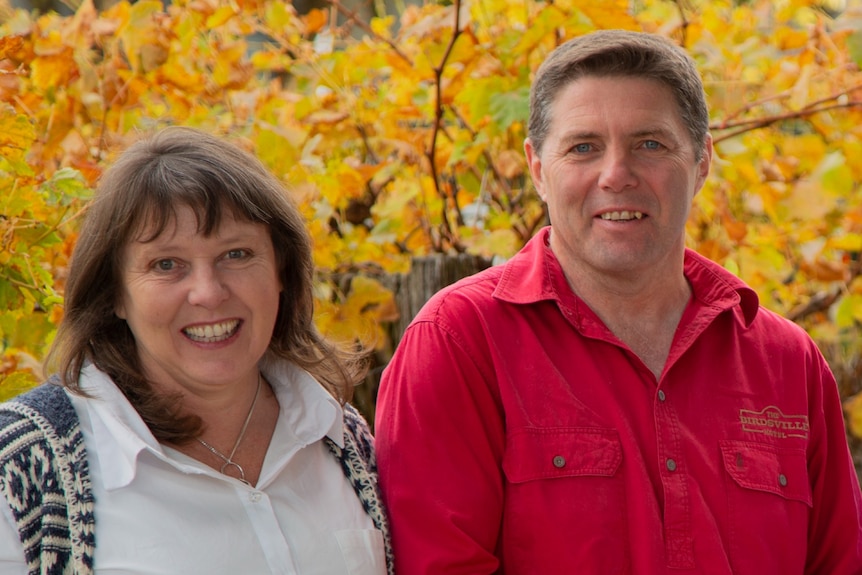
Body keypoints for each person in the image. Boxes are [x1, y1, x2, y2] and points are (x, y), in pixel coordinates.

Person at [374, 29, 862, 574]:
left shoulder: (788, 363)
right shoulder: (459, 343)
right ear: (537, 169)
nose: (616, 175)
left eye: (650, 144)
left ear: (702, 162)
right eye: (583, 147)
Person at [0, 127, 392, 574]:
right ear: (115, 294)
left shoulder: (343, 438)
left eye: (237, 254)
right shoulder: (23, 471)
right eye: (166, 264)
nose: (208, 293)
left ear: (283, 271)